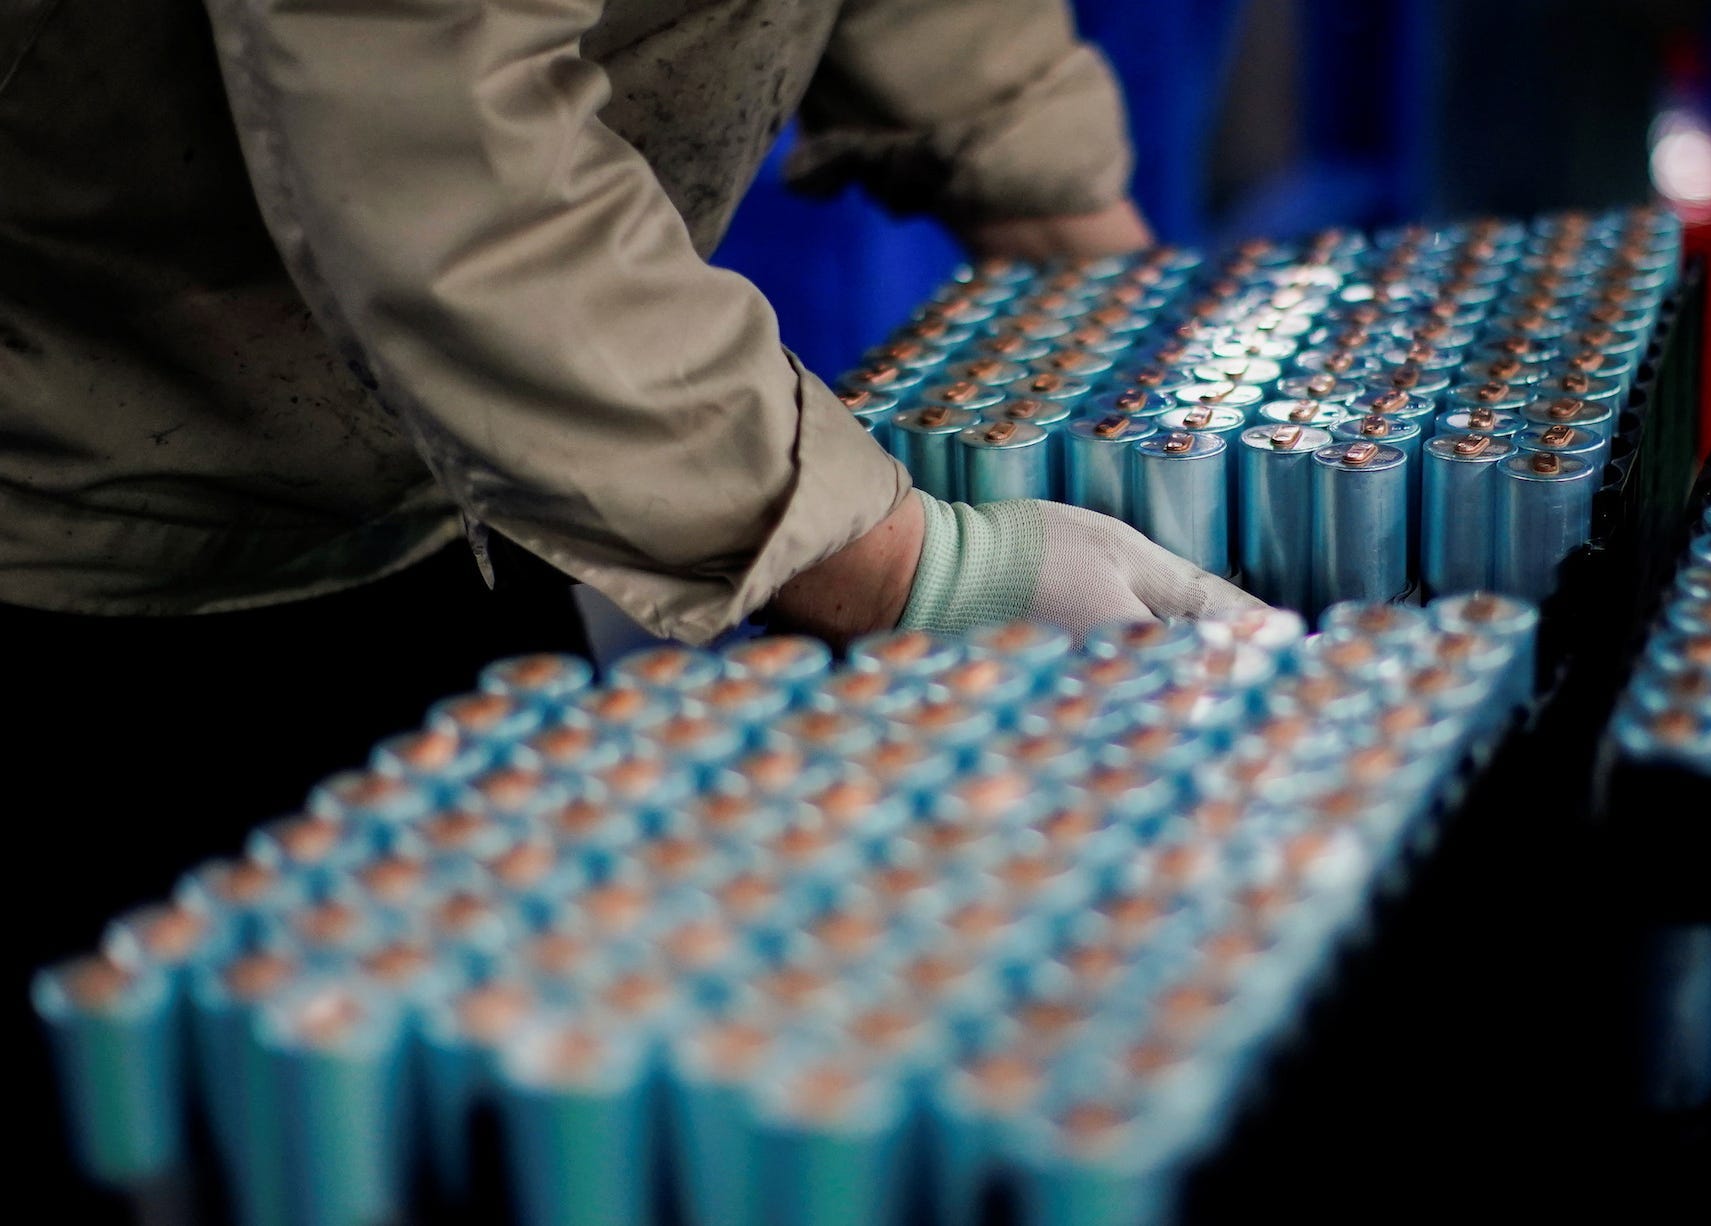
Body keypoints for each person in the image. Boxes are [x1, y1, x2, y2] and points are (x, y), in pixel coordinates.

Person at [0, 0, 1254, 1196]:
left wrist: (1063, 218)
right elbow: (441, 162)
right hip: (99, 510)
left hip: (457, 458)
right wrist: (922, 572)